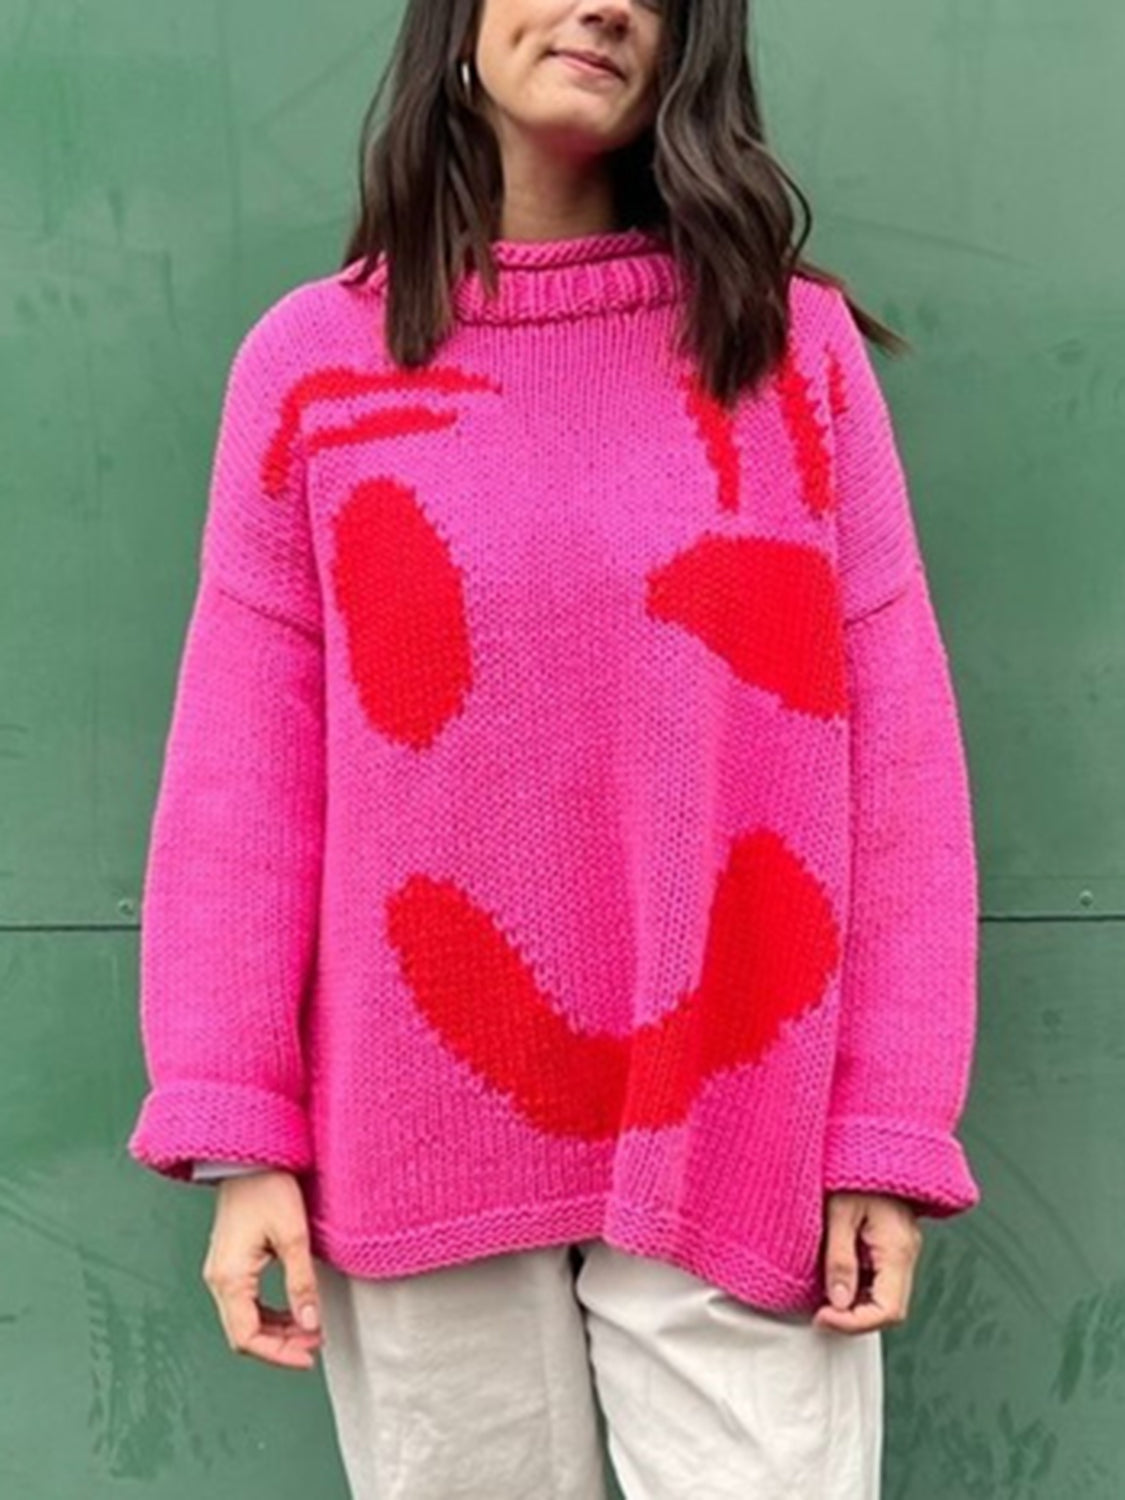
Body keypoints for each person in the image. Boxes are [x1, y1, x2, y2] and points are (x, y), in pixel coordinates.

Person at [126, 0, 982, 1495]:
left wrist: (888, 1128)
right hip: (418, 1129)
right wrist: (240, 1129)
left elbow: (897, 762)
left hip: (739, 1135)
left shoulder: (792, 354)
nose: (606, 6)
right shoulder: (311, 365)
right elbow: (241, 777)